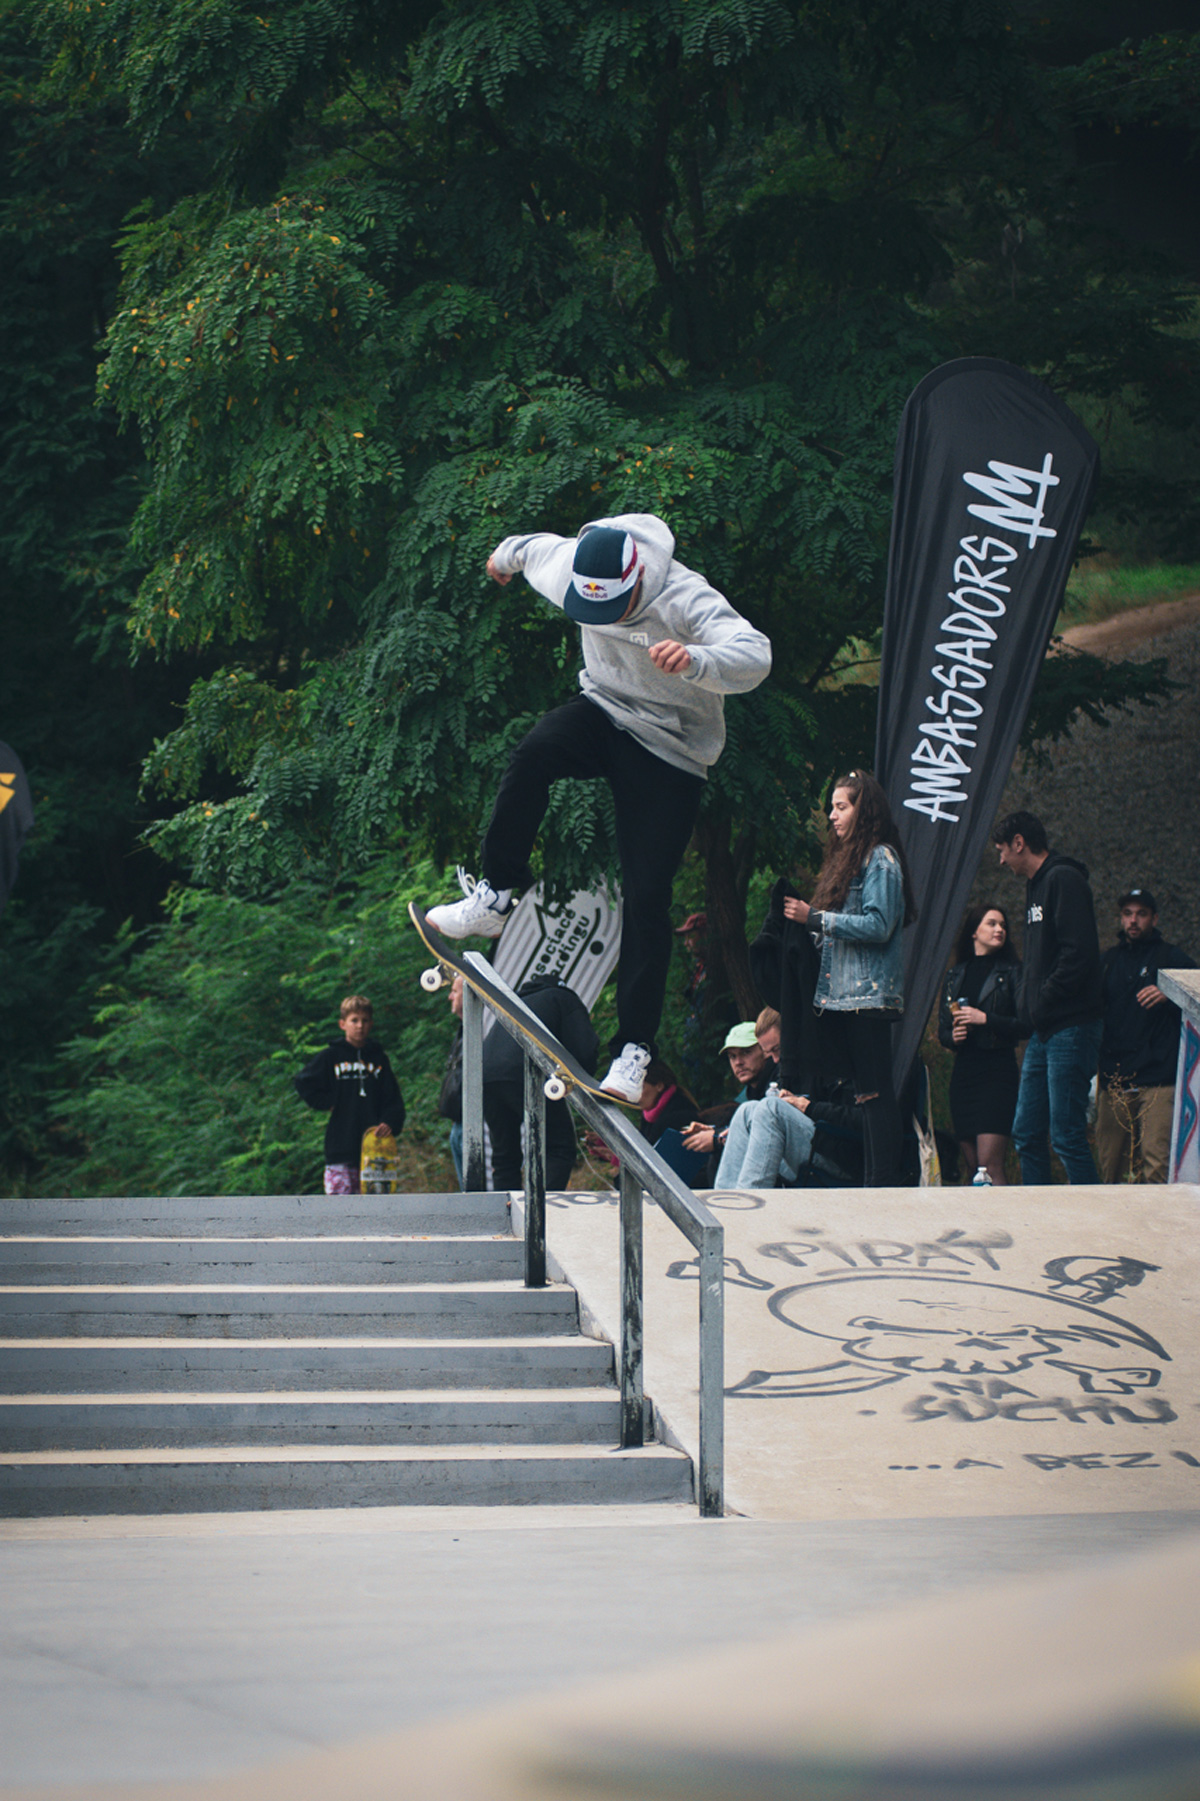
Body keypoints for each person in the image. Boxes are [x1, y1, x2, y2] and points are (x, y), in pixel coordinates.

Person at [424, 513, 771, 1105]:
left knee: (646, 895)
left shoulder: (684, 595)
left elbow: (755, 654)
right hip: (604, 711)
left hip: (671, 749)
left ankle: (633, 1051)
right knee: (533, 754)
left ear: (637, 582)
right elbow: (532, 548)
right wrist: (502, 558)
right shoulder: (569, 568)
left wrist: (696, 662)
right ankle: (497, 895)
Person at [785, 772, 916, 1187]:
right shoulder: (855, 858)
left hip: (868, 996)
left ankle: (882, 1183)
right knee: (866, 1093)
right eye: (832, 807)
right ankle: (874, 1181)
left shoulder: (881, 858)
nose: (832, 815)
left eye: (841, 806)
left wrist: (816, 918)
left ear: (865, 810)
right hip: (846, 997)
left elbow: (879, 926)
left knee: (875, 1094)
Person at [994, 810, 1102, 1184]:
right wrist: (1029, 1003)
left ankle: (1096, 1221)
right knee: (1025, 1133)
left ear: (1019, 843)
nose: (1001, 860)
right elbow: (1037, 960)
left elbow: (1080, 955)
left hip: (1071, 1026)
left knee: (1067, 1136)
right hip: (1043, 1032)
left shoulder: (1064, 880)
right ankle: (1042, 1219)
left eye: (1002, 850)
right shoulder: (1035, 886)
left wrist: (1040, 1000)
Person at [1096, 887, 1195, 1184]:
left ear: (1154, 918)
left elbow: (1197, 990)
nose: (1133, 921)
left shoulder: (1171, 958)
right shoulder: (1108, 961)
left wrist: (1171, 991)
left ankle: (1160, 1231)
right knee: (1109, 1167)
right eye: (1127, 914)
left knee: (1157, 1168)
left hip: (1159, 1079)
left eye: (1141, 914)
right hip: (1114, 1077)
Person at [481, 974, 599, 1192]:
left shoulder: (516, 1003)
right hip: (525, 1072)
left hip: (486, 1075)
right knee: (559, 1146)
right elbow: (584, 1049)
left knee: (504, 1154)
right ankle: (540, 1212)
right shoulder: (563, 998)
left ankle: (505, 1212)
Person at [937, 903, 1023, 1185]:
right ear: (974, 931)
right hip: (965, 1074)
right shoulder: (955, 975)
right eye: (992, 923)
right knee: (973, 1166)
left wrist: (986, 1019)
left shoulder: (1012, 972)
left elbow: (1024, 1025)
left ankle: (1005, 1227)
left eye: (1003, 925)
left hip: (997, 1071)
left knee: (989, 1165)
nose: (1000, 930)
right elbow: (944, 1030)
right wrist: (954, 1037)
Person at [294, 994, 406, 1195]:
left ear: (371, 1024)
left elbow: (393, 1098)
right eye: (354, 1020)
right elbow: (303, 1082)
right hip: (341, 1146)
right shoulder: (331, 1057)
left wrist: (390, 1121)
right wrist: (328, 1101)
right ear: (342, 1024)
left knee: (375, 1211)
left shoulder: (379, 1058)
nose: (359, 1026)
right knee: (341, 1210)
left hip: (374, 1149)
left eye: (364, 1021)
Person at [714, 1077, 864, 1189]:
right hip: (819, 1141)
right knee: (747, 1110)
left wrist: (810, 1107)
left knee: (771, 1108)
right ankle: (726, 1207)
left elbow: (867, 1121)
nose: (777, 1059)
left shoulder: (865, 1068)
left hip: (847, 1158)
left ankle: (748, 1209)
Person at [680, 1012, 780, 1175]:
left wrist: (717, 1139)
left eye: (746, 1053)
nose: (738, 1062)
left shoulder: (778, 1081)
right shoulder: (751, 1092)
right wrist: (713, 1130)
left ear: (765, 1050)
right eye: (732, 1056)